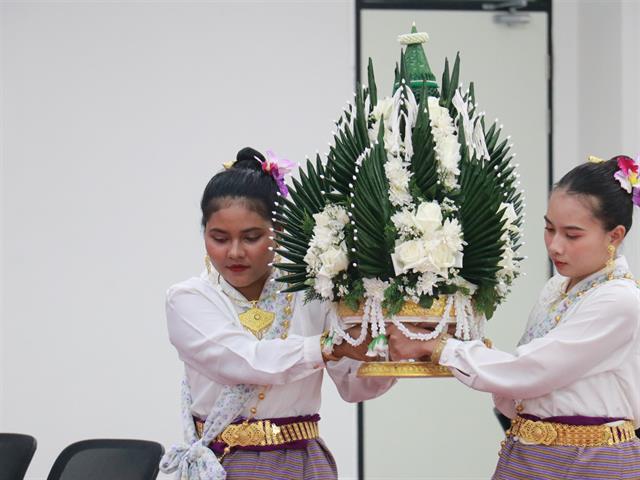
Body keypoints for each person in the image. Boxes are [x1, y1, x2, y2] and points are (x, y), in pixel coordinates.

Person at [387, 155, 640, 479]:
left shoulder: (620, 300)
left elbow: (533, 370)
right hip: (528, 452)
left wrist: (439, 347)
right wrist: (457, 342)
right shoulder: (556, 288)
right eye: (549, 229)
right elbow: (521, 384)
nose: (555, 246)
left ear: (614, 236)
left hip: (591, 462)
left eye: (572, 235)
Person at [160, 147, 394, 480]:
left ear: (279, 231)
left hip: (304, 462)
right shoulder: (189, 299)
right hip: (226, 465)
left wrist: (388, 344)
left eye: (252, 237)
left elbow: (353, 387)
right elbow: (243, 361)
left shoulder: (313, 294)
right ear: (204, 236)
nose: (235, 252)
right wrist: (328, 347)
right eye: (219, 238)